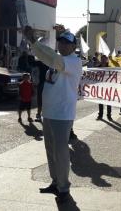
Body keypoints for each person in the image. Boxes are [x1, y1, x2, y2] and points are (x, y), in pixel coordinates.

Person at [24, 27, 82, 203]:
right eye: (61, 42)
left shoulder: (73, 61)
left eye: (67, 43)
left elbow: (52, 58)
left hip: (62, 114)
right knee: (51, 151)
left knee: (61, 152)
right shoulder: (57, 60)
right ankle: (56, 182)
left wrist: (34, 42)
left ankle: (64, 188)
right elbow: (44, 57)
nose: (63, 45)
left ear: (74, 47)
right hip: (49, 113)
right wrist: (32, 42)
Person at [96, 55, 112, 121]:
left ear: (106, 60)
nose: (103, 60)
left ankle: (109, 115)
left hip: (108, 87)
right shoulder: (97, 68)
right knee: (100, 102)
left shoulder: (110, 68)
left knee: (109, 102)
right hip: (100, 87)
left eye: (104, 59)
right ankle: (100, 115)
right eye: (102, 59)